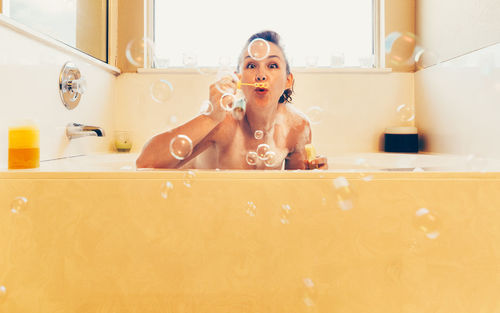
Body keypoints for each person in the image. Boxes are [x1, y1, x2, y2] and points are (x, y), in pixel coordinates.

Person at [136, 30, 327, 170]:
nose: (261, 75)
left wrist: (316, 176)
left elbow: (295, 192)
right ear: (239, 79)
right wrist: (210, 117)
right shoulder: (223, 121)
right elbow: (145, 163)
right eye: (251, 65)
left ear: (288, 80)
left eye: (272, 65)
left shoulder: (298, 127)